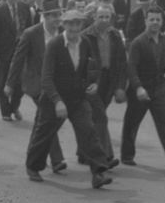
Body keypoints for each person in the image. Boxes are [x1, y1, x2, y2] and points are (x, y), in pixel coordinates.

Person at [24, 10, 114, 188]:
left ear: (82, 25)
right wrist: (57, 101)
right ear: (63, 25)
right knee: (44, 133)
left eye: (77, 24)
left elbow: (93, 67)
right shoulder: (55, 44)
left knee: (88, 131)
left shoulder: (85, 42)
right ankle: (33, 166)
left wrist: (94, 82)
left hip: (77, 98)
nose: (74, 28)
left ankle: (99, 172)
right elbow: (46, 78)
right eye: (70, 24)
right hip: (52, 99)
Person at [120, 6, 165, 168]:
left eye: (158, 20)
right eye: (151, 19)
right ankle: (127, 155)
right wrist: (138, 87)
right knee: (132, 122)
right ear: (145, 21)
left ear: (162, 22)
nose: (155, 23)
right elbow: (131, 68)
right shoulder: (138, 43)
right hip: (140, 89)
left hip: (158, 88)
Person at [7, 0, 67, 173]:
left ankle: (34, 152)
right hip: (37, 84)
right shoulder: (31, 33)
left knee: (44, 121)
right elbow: (18, 59)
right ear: (45, 16)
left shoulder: (64, 32)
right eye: (53, 15)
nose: (57, 19)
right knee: (48, 119)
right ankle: (56, 160)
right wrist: (10, 83)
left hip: (57, 84)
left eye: (59, 15)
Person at [80, 4, 129, 168]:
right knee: (99, 116)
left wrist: (121, 86)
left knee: (95, 118)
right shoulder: (86, 36)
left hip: (109, 80)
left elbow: (122, 62)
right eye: (101, 16)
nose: (104, 20)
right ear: (95, 17)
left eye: (107, 17)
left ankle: (84, 152)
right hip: (93, 81)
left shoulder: (115, 35)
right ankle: (105, 155)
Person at [0, 0, 32, 122]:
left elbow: (30, 30)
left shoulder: (25, 8)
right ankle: (5, 112)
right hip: (3, 52)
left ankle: (14, 106)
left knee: (20, 84)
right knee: (3, 82)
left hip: (21, 50)